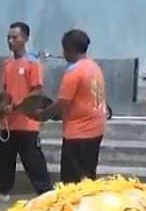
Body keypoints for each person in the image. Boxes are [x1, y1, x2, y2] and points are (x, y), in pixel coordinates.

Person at [0, 22, 54, 204]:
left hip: (28, 122)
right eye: (9, 38)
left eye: (15, 37)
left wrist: (17, 107)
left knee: (33, 159)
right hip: (8, 122)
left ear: (26, 39)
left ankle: (46, 193)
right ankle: (2, 191)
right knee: (5, 158)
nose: (11, 41)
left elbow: (37, 91)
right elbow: (5, 91)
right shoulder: (7, 64)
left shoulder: (32, 64)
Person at [36, 28, 107, 183]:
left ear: (70, 49)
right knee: (87, 176)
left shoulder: (74, 72)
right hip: (96, 128)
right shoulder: (94, 67)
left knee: (72, 180)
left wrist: (43, 115)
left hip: (79, 132)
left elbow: (62, 102)